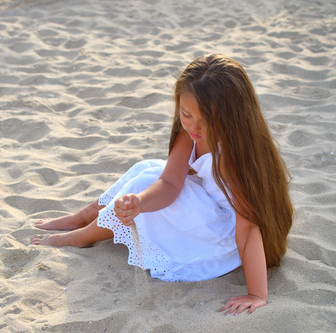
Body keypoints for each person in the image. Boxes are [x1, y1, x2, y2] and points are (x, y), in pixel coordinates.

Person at [31, 53, 293, 315]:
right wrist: (140, 202)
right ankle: (85, 216)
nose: (194, 126)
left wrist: (257, 294)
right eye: (186, 114)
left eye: (206, 120)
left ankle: (80, 237)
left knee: (145, 181)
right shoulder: (189, 131)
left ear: (232, 116)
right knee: (147, 168)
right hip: (208, 204)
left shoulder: (235, 156)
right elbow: (169, 182)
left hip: (225, 232)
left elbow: (248, 228)